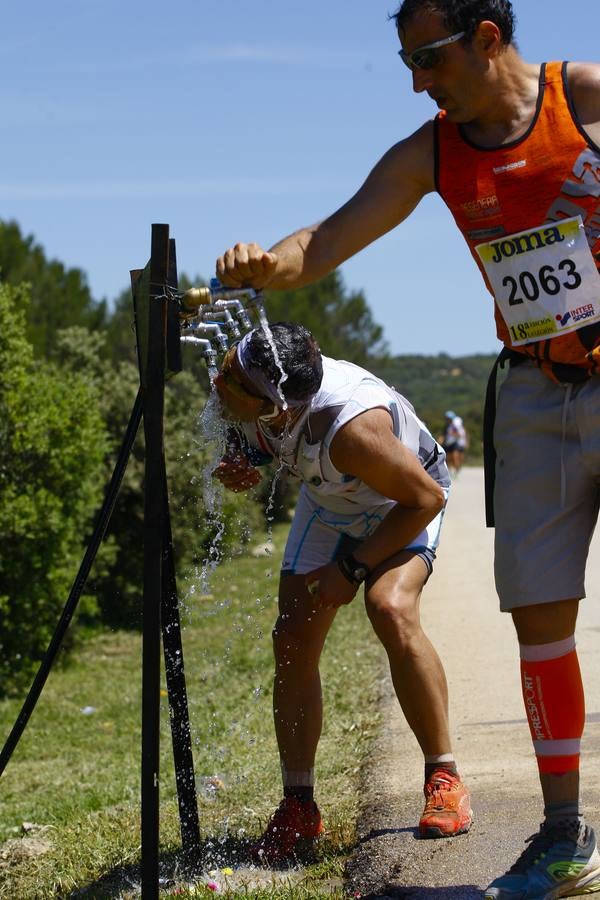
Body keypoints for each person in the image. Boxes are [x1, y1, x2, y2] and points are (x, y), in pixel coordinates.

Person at [214, 2, 600, 895]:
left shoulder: (579, 98)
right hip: (534, 388)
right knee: (539, 614)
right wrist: (270, 265)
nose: (416, 80)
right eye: (407, 62)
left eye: (428, 57)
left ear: (489, 37)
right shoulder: (429, 153)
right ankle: (564, 839)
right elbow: (324, 240)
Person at [212, 321, 472, 863]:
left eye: (232, 377)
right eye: (229, 365)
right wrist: (248, 462)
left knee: (390, 608)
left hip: (400, 506)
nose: (220, 378)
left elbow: (424, 501)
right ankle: (299, 805)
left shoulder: (354, 429)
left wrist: (352, 569)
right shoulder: (268, 392)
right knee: (292, 642)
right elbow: (268, 439)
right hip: (331, 503)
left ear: (276, 405)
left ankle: (444, 778)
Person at [441, 410, 468, 477]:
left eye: (449, 418)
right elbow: (443, 435)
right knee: (448, 459)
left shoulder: (454, 426)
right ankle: (450, 472)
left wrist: (453, 434)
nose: (447, 420)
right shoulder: (446, 426)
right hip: (447, 444)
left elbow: (459, 435)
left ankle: (456, 471)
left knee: (455, 457)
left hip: (454, 444)